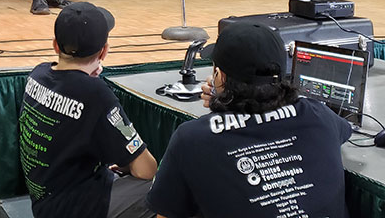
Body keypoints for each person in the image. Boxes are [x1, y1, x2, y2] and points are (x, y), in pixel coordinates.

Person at [146, 22, 352, 218]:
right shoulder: (319, 115)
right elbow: (344, 131)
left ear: (220, 76)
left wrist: (225, 105)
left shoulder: (191, 137)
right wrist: (230, 103)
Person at [19, 1, 157, 218]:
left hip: (45, 201)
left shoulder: (37, 74)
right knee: (164, 189)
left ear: (56, 45)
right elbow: (146, 169)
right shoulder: (95, 94)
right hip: (74, 207)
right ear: (103, 52)